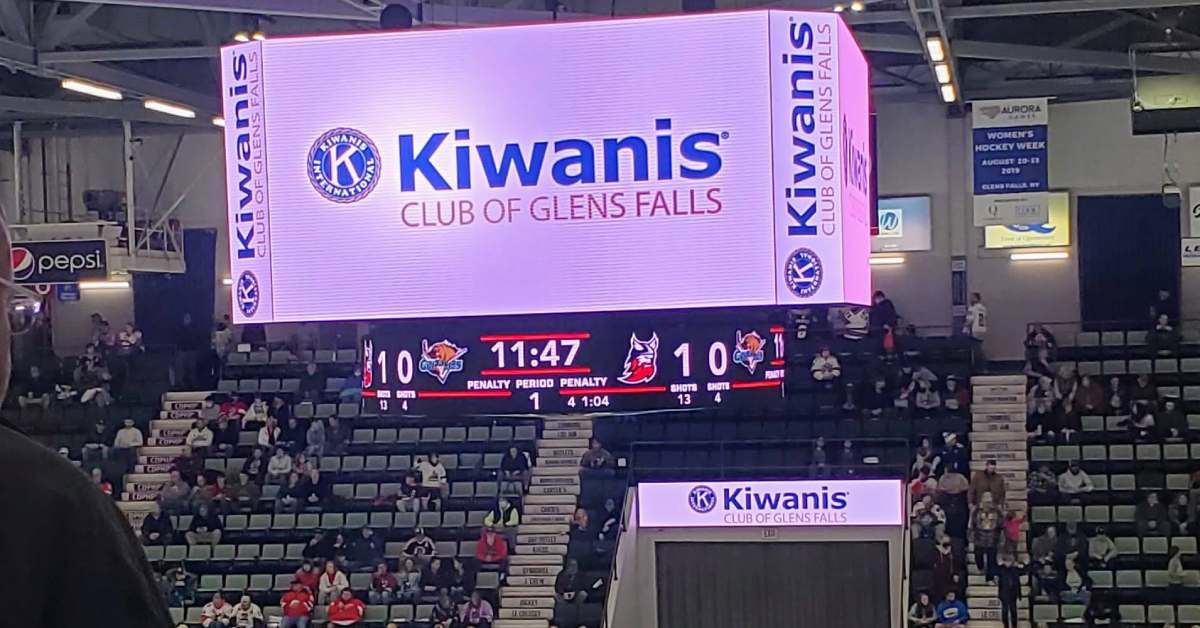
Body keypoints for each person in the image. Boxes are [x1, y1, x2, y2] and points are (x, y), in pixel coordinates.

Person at [970, 492, 1002, 583]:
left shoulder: (996, 511)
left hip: (992, 538)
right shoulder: (977, 510)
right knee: (978, 555)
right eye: (985, 501)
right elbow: (973, 523)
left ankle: (990, 578)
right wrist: (972, 535)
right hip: (979, 537)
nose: (987, 504)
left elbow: (1001, 523)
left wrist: (999, 536)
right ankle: (980, 567)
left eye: (989, 501)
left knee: (991, 559)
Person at [554, 559, 588, 625]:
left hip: (576, 595)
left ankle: (577, 610)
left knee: (583, 594)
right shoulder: (561, 574)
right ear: (568, 566)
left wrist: (575, 593)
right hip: (563, 595)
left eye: (575, 566)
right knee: (556, 596)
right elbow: (557, 587)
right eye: (572, 566)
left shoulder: (580, 575)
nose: (574, 567)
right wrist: (563, 593)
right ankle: (563, 612)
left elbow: (583, 586)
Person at [996, 554, 1023, 628]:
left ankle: (1014, 626)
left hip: (1013, 593)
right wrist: (999, 595)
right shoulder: (1001, 570)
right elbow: (1000, 583)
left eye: (1010, 561)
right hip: (1004, 594)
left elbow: (1018, 582)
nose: (1008, 563)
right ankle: (1006, 626)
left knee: (1013, 611)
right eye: (1006, 561)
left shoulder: (1015, 570)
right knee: (1004, 612)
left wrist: (1019, 595)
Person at [963, 292, 987, 367]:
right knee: (980, 348)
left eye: (972, 297)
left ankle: (977, 366)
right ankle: (983, 364)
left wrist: (964, 328)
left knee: (975, 349)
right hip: (982, 329)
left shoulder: (972, 308)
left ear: (976, 298)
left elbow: (969, 320)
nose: (970, 299)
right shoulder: (983, 308)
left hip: (974, 330)